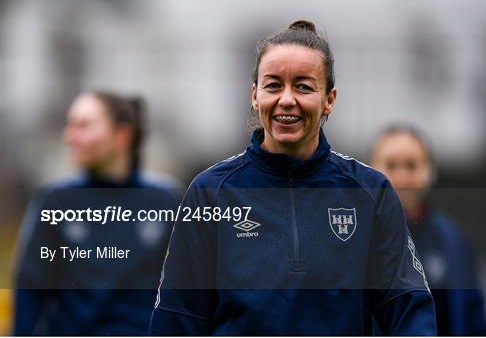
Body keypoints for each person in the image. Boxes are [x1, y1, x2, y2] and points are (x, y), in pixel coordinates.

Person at [149, 20, 436, 335]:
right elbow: (178, 317)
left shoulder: (370, 191)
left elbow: (407, 306)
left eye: (303, 86)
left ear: (329, 98)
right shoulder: (209, 192)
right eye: (274, 85)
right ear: (255, 95)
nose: (287, 99)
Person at [13, 91, 180, 335]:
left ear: (122, 135)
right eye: (69, 125)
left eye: (83, 126)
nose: (69, 136)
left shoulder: (166, 201)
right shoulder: (56, 201)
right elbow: (30, 287)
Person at [370, 125, 486, 336]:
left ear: (429, 171)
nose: (401, 178)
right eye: (391, 165)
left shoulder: (454, 242)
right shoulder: (350, 238)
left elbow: (474, 322)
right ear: (370, 170)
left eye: (411, 165)